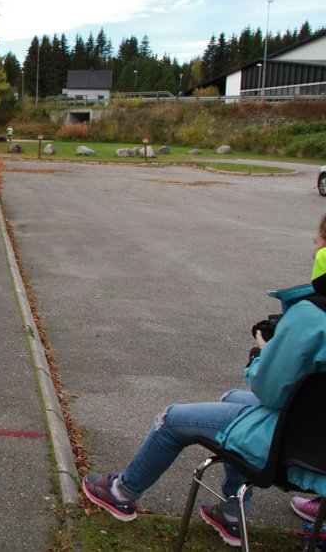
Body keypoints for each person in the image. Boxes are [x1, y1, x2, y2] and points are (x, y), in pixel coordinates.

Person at [82, 213, 326, 547]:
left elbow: (270, 391)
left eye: (316, 242)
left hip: (296, 447)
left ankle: (121, 492)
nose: (312, 249)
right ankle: (230, 513)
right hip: (313, 432)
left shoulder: (312, 315)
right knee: (230, 399)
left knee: (172, 419)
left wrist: (261, 353)